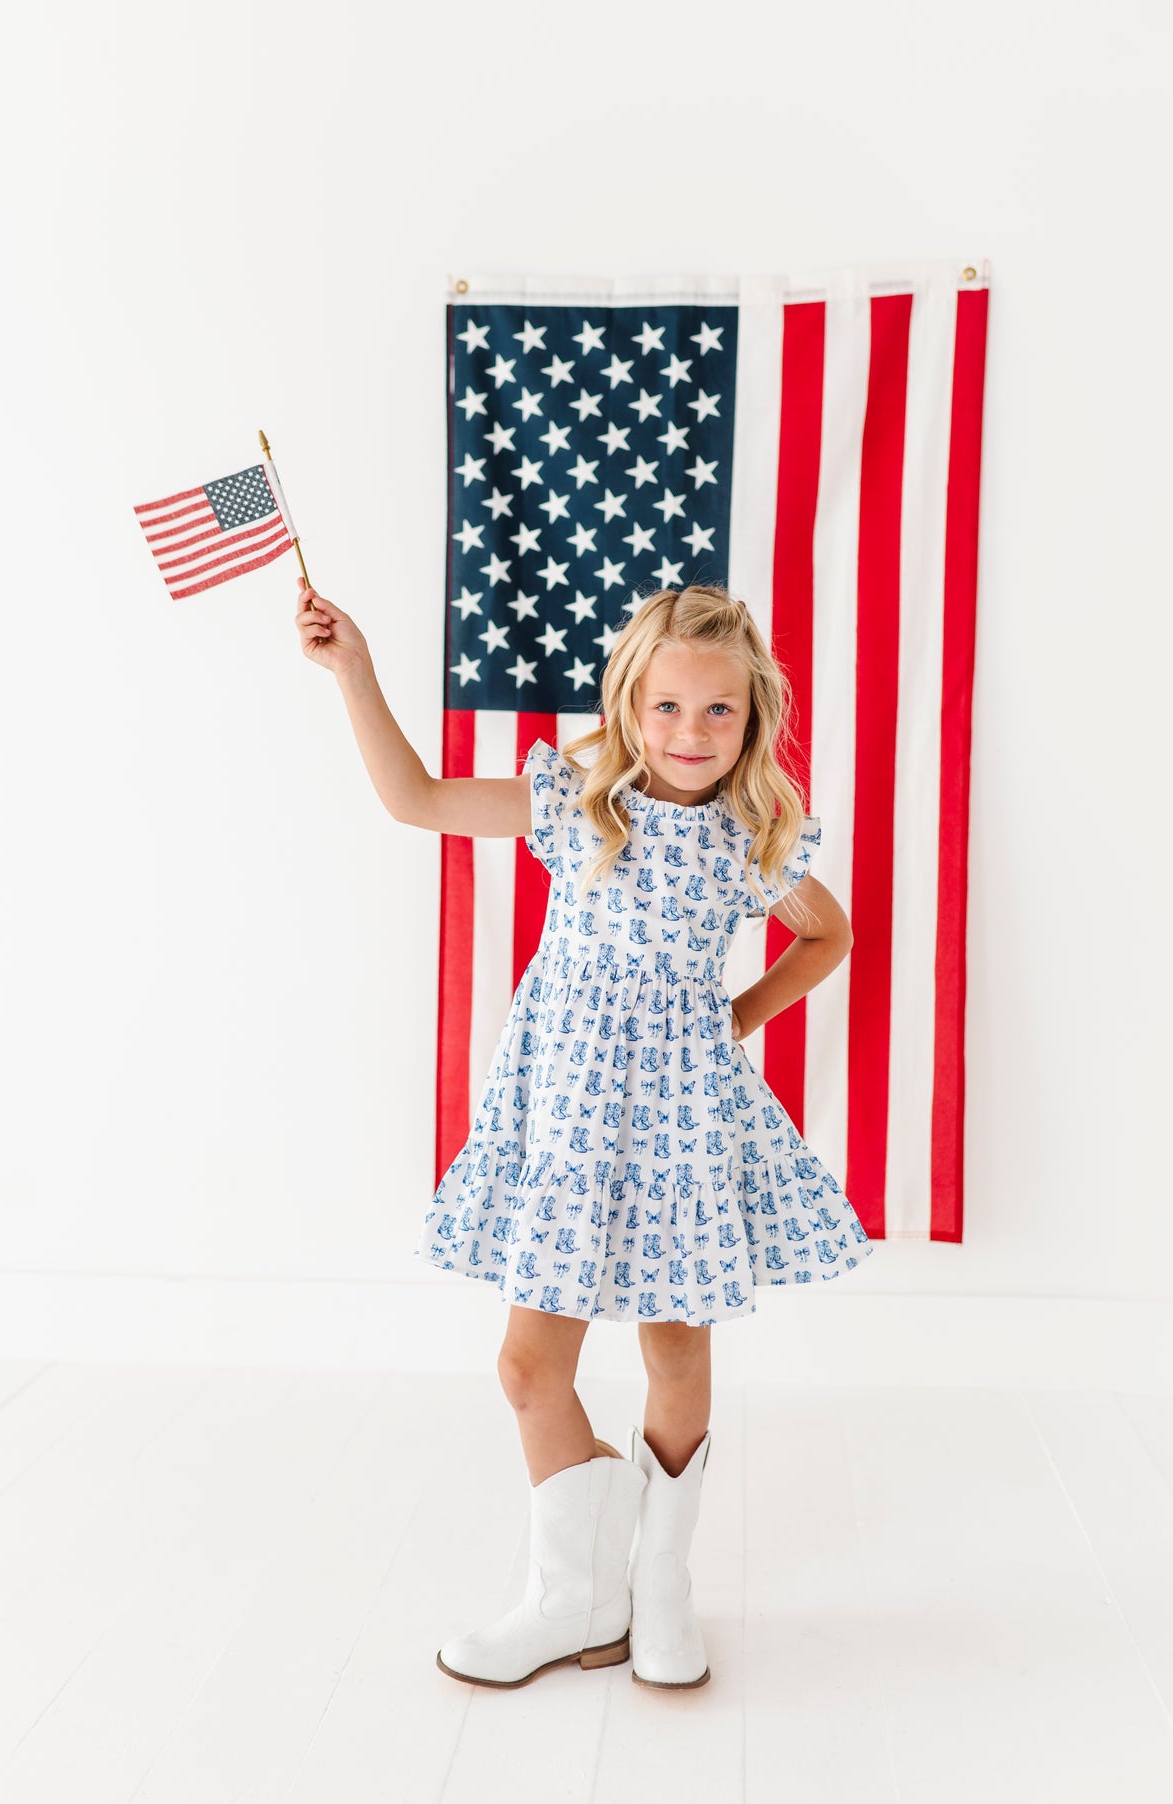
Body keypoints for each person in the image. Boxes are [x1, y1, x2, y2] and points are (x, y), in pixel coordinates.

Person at [295, 576, 875, 1693]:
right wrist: (355, 670)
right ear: (627, 706)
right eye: (666, 707)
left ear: (752, 715)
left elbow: (826, 935)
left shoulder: (757, 832)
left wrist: (733, 1020)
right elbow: (414, 799)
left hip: (683, 1123)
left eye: (719, 710)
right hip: (564, 1108)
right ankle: (575, 1593)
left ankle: (659, 1584)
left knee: (674, 1343)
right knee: (527, 1364)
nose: (692, 732)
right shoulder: (576, 801)